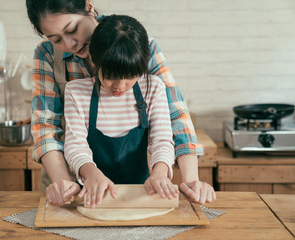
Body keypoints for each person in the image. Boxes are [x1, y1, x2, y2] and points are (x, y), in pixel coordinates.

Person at [26, 0, 216, 206]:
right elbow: (45, 127)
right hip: (68, 180)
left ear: (88, 6)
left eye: (72, 29)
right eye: (56, 39)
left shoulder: (137, 44)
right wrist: (64, 183)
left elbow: (175, 114)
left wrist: (191, 181)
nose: (69, 44)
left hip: (131, 184)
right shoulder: (48, 57)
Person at [64, 14, 178, 208]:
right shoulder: (76, 92)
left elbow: (162, 140)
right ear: (94, 60)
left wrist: (159, 173)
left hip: (140, 194)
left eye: (130, 77)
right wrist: (92, 175)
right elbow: (75, 145)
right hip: (93, 196)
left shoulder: (153, 88)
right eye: (109, 76)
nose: (119, 86)